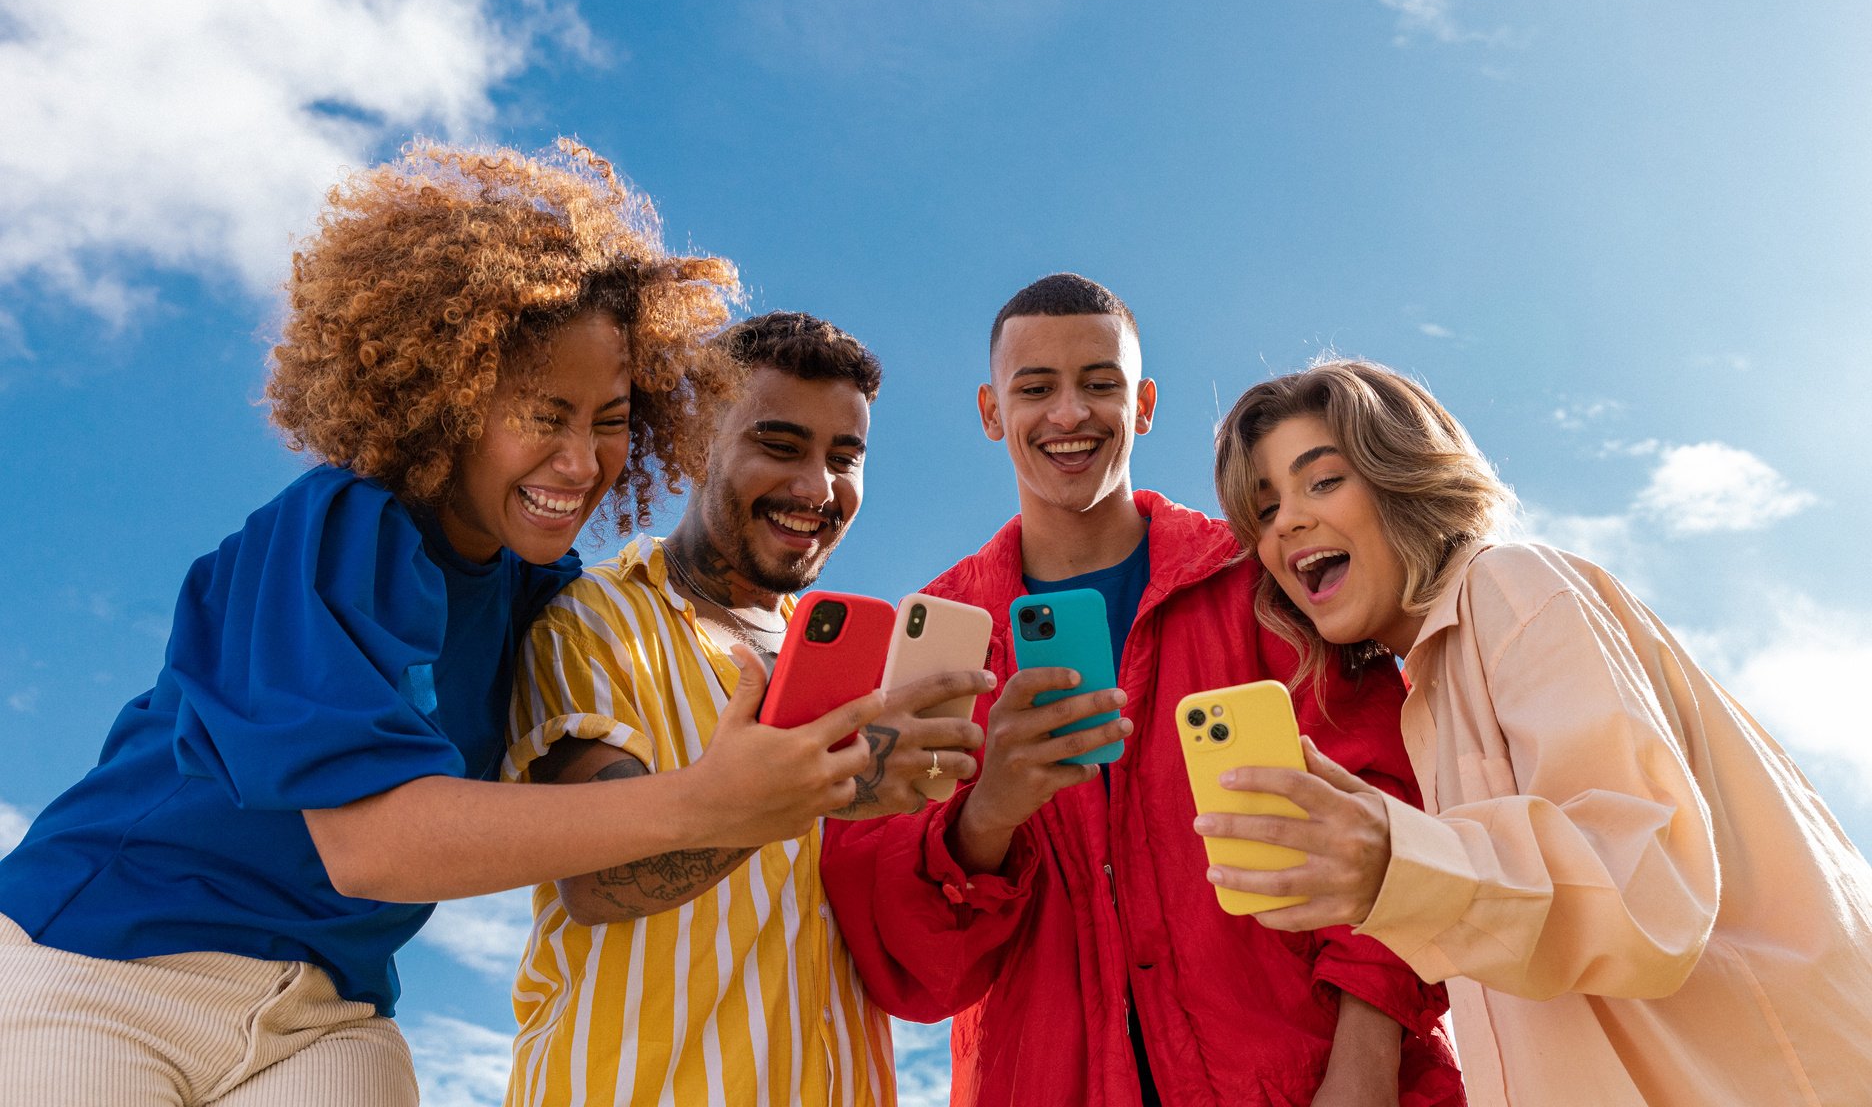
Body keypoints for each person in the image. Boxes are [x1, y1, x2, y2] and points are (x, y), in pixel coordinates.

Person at [0, 143, 884, 1107]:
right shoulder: (344, 526)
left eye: (611, 418)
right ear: (450, 399)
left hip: (323, 1016)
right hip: (103, 964)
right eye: (543, 413)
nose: (581, 461)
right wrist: (718, 802)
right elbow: (372, 846)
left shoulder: (538, 596)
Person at [822, 275, 1463, 1107]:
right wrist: (988, 816)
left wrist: (1364, 1069)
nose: (1069, 415)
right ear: (990, 413)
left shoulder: (1263, 581)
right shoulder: (940, 643)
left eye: (1099, 384)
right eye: (1035, 389)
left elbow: (1397, 813)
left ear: (1146, 403)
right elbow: (910, 971)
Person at [1209, 357, 1872, 1107]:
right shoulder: (1425, 698)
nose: (1288, 521)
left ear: (1403, 476)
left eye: (1323, 481)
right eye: (1264, 510)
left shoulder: (1511, 587)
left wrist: (1398, 862)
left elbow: (1642, 882)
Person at [503, 310, 989, 1107]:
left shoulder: (860, 665)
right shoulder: (591, 622)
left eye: (845, 457)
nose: (816, 488)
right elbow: (595, 882)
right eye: (780, 445)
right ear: (698, 444)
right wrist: (830, 788)